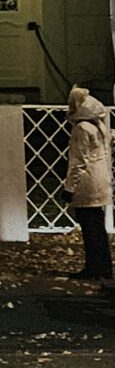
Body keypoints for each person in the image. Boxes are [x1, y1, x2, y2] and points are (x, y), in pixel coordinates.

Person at [62, 85, 113, 283]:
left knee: (89, 227)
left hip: (88, 182)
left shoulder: (81, 128)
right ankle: (103, 267)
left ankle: (93, 268)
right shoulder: (99, 125)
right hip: (102, 179)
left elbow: (79, 161)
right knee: (98, 227)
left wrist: (69, 188)